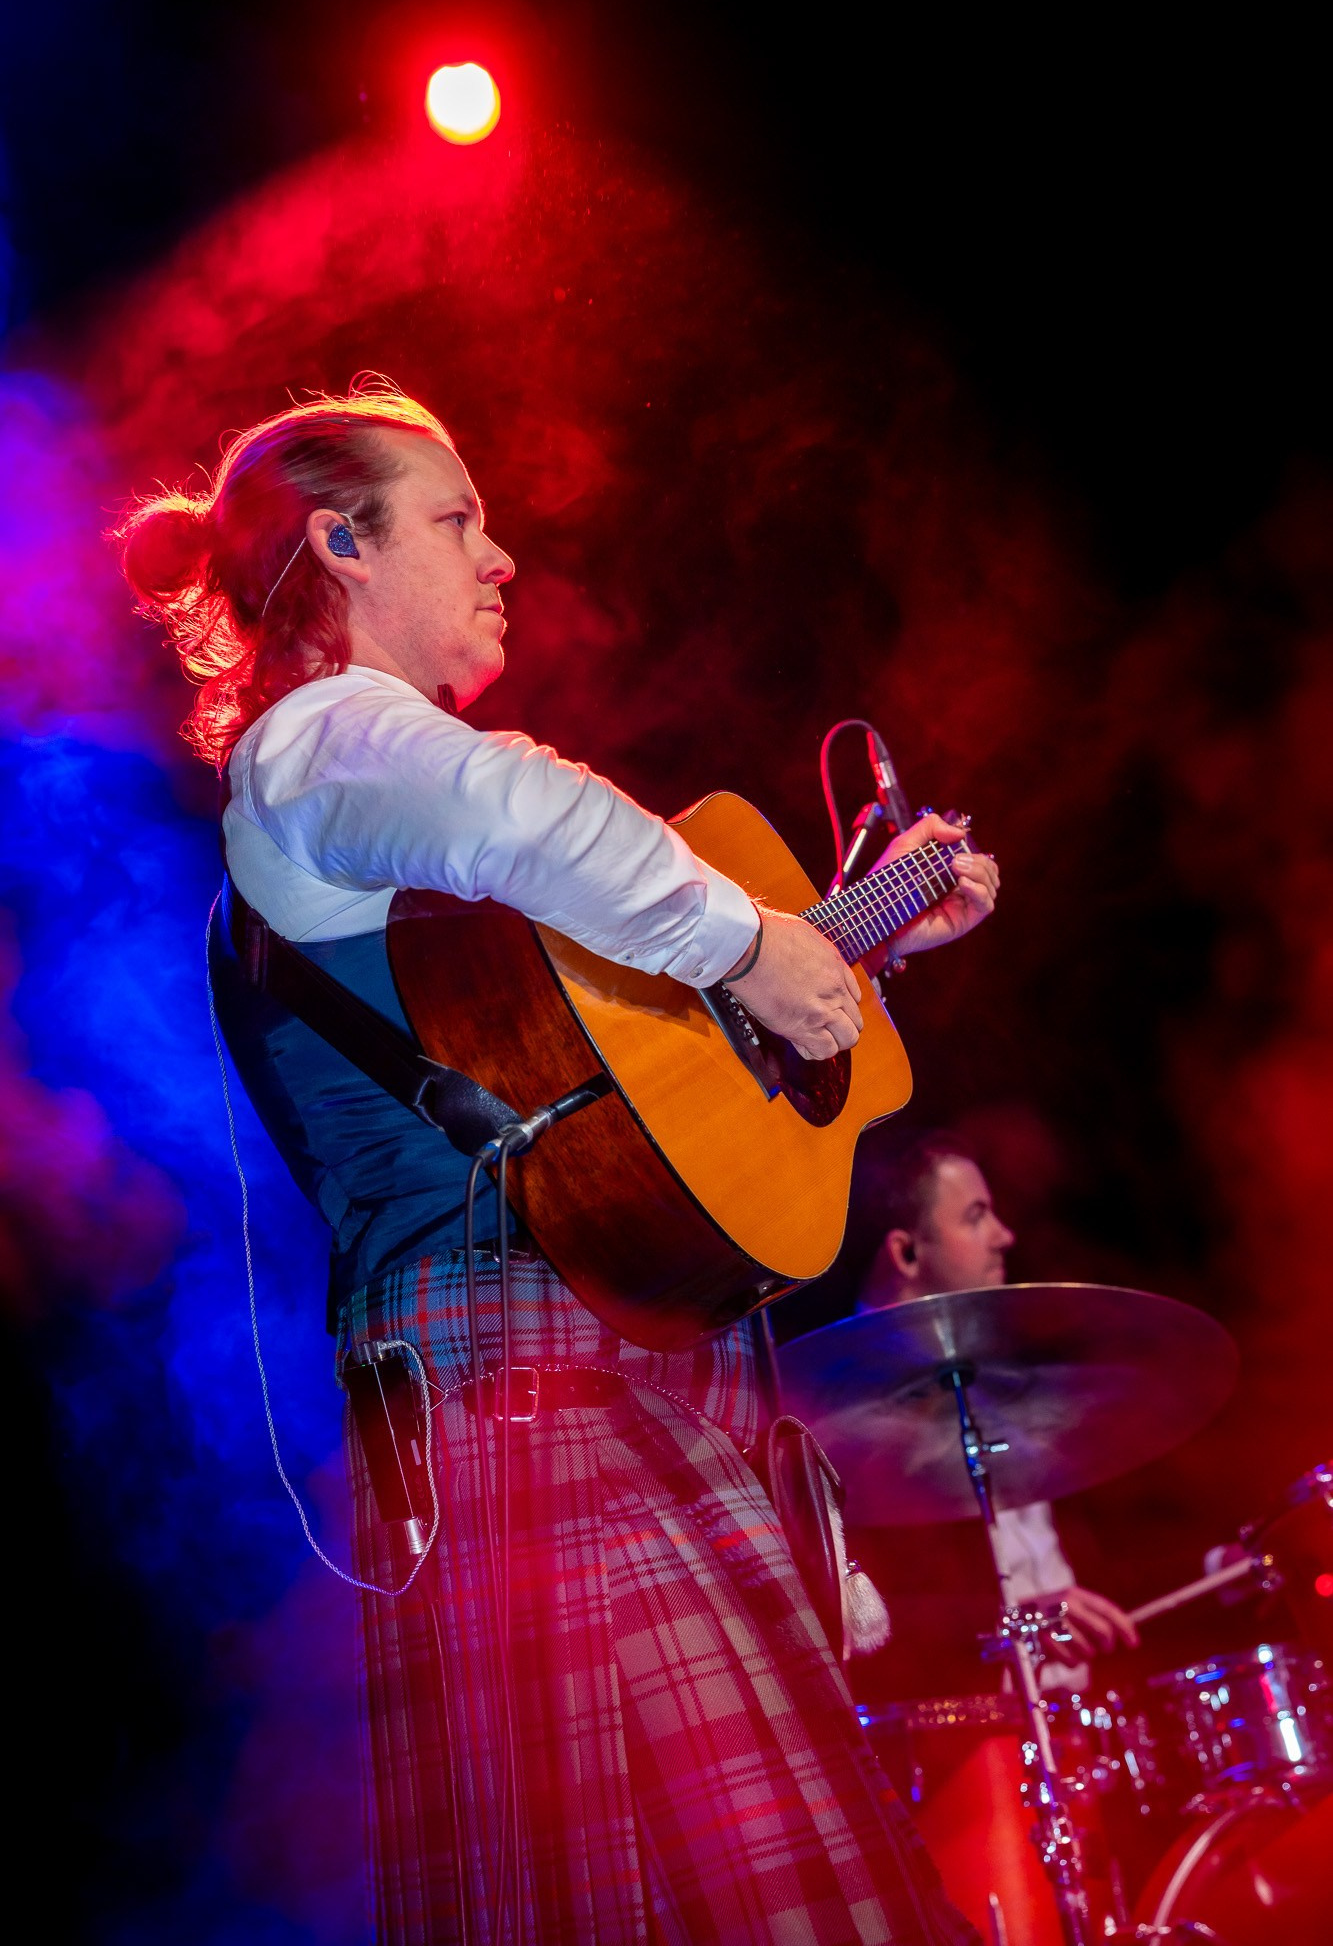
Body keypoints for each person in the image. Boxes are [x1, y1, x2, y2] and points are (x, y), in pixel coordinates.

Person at [116, 381, 999, 1945]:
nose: (502, 555)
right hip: (521, 1382)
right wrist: (751, 940)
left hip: (603, 1359)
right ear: (339, 546)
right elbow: (528, 810)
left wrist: (859, 942)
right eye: (456, 519)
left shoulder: (422, 835)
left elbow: (628, 1056)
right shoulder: (318, 747)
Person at [854, 1134, 1139, 1697]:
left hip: (1084, 1730)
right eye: (976, 1217)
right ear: (907, 1253)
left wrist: (1221, 1565)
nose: (1004, 1236)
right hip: (967, 1749)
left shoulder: (998, 1376)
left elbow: (1085, 1583)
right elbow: (850, 1618)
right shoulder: (837, 1410)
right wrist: (1010, 1622)